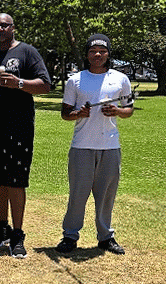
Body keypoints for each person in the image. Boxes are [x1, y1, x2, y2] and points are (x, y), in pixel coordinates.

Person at [0, 13, 51, 258]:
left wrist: (19, 84)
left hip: (19, 127)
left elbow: (45, 85)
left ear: (13, 27)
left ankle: (17, 234)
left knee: (16, 180)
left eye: (5, 25)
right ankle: (2, 227)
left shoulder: (27, 52)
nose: (0, 29)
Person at [56, 34, 134, 255]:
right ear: (87, 54)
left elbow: (129, 109)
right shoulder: (76, 80)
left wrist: (117, 111)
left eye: (102, 51)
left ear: (108, 53)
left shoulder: (120, 79)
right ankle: (70, 236)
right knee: (78, 194)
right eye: (92, 51)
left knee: (106, 195)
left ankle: (105, 237)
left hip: (110, 146)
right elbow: (65, 113)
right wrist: (78, 113)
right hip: (82, 146)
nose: (97, 55)